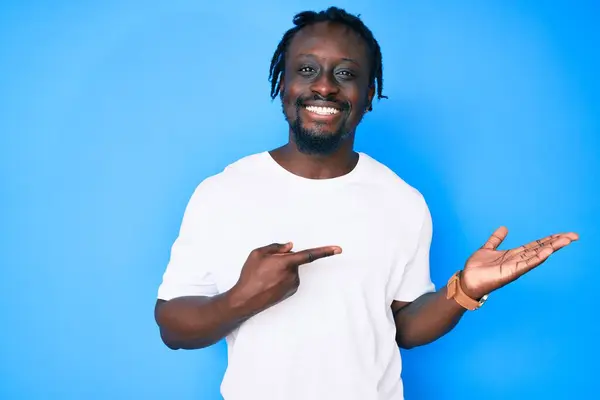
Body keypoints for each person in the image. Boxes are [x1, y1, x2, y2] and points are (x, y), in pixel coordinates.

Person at [154, 7, 578, 400]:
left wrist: (463, 291)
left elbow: (403, 328)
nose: (324, 85)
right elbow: (172, 326)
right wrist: (242, 298)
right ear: (282, 84)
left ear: (369, 93)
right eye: (306, 69)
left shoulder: (402, 201)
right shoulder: (223, 193)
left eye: (345, 73)